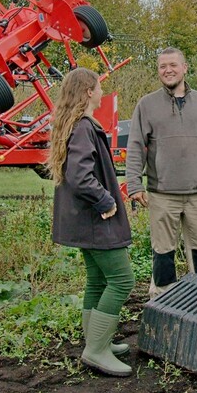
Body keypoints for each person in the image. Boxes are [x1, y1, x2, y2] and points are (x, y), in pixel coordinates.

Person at [126, 47, 197, 298]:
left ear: (184, 68)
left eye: (173, 65)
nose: (168, 70)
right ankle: (163, 298)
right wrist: (133, 184)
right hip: (162, 193)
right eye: (162, 66)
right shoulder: (147, 105)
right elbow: (135, 146)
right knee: (163, 250)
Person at [47, 67, 135, 377]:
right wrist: (106, 200)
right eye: (98, 87)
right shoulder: (84, 127)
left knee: (98, 280)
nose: (101, 92)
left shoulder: (74, 124)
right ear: (88, 92)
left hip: (83, 223)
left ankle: (97, 341)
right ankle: (96, 350)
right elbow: (81, 177)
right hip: (95, 221)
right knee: (123, 280)